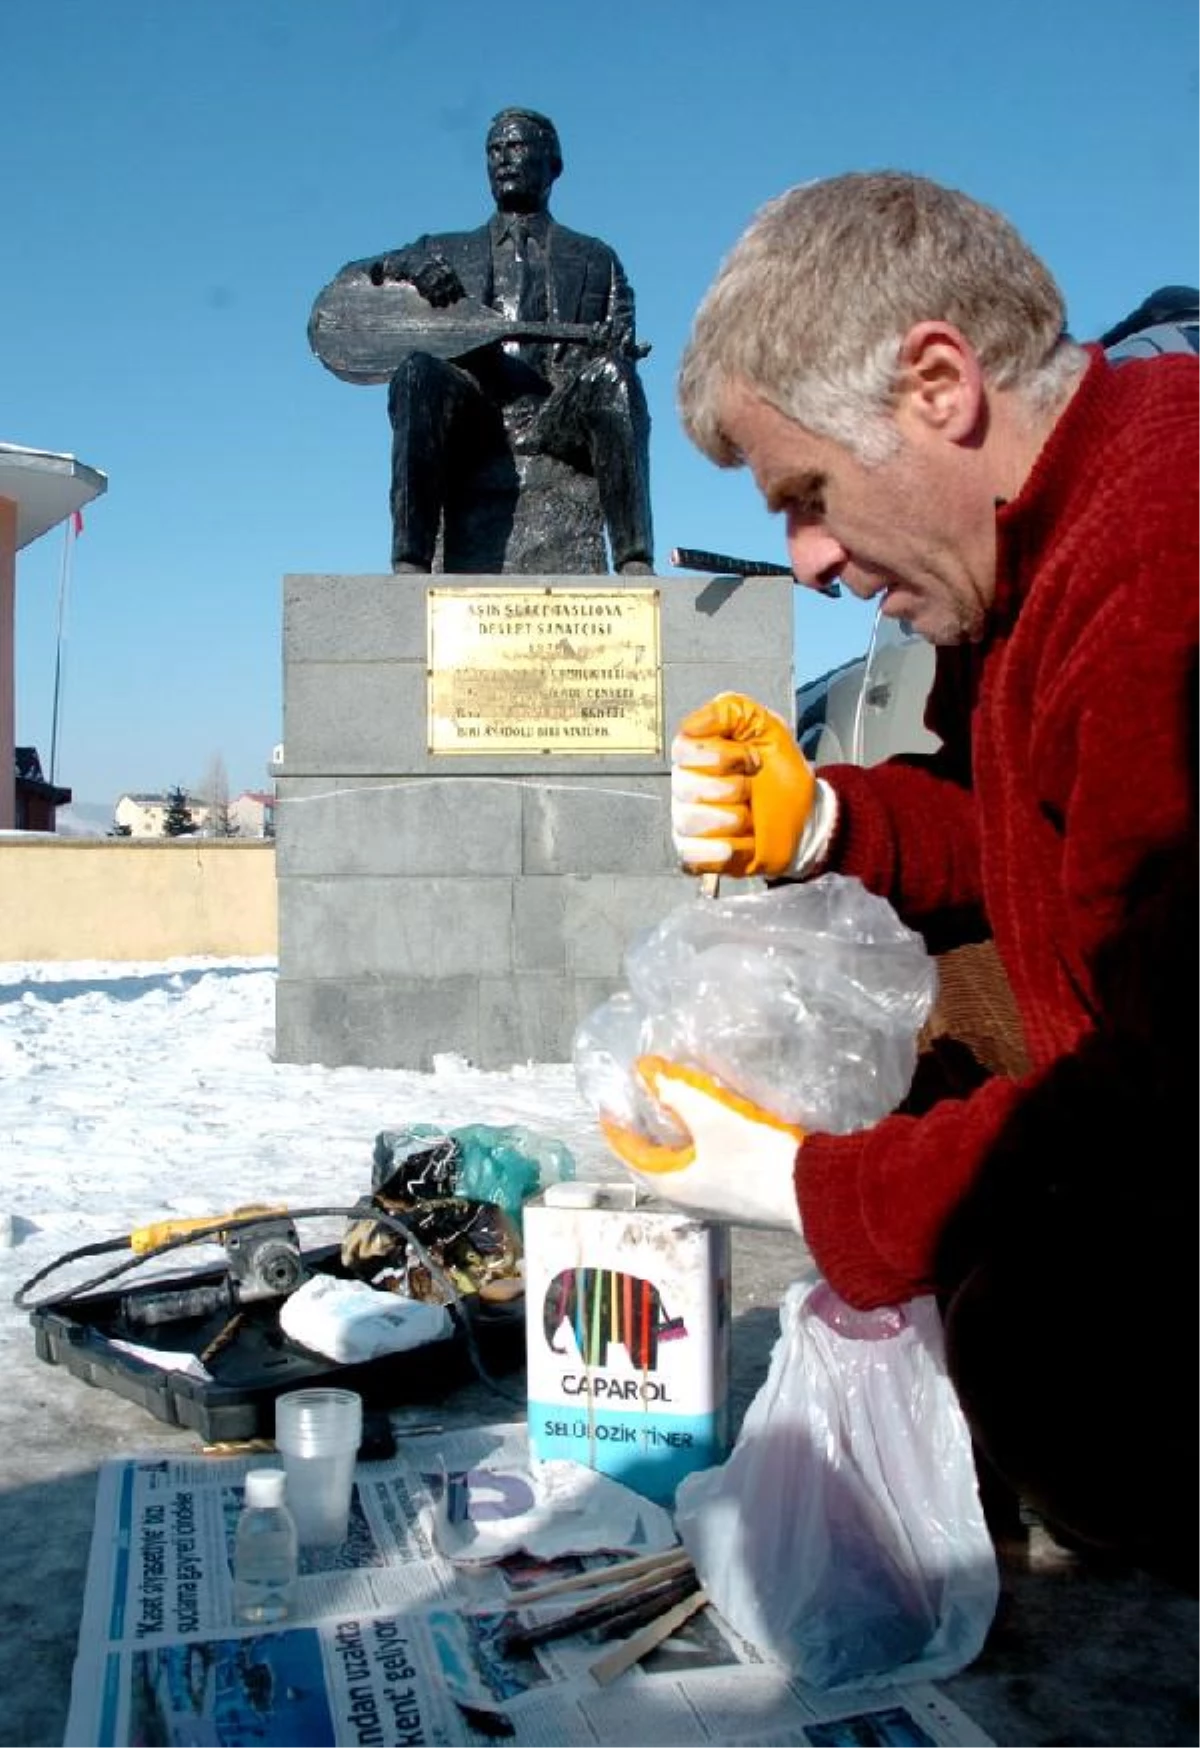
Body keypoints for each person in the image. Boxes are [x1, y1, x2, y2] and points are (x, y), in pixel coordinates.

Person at [601, 170, 1200, 1584]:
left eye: (805, 493)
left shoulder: (1161, 565)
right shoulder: (1041, 543)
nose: (804, 558)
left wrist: (827, 1191)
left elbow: (1179, 1085)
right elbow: (1016, 819)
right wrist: (821, 822)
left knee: (1065, 1401)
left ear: (939, 383)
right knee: (907, 1024)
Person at [363, 106, 654, 576]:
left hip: (559, 418)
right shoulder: (444, 249)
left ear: (552, 162)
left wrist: (614, 351)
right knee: (417, 373)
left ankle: (635, 559)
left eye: (517, 147)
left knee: (615, 379)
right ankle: (411, 564)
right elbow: (360, 277)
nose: (503, 160)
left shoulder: (597, 258)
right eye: (494, 150)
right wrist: (412, 268)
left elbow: (619, 356)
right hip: (477, 414)